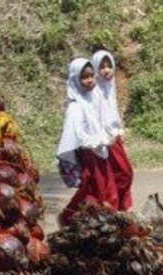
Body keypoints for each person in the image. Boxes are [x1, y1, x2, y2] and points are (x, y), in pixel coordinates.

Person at [56, 57, 117, 227]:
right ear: (76, 79)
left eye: (92, 75)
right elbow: (79, 136)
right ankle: (69, 218)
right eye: (85, 77)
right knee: (95, 194)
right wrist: (103, 140)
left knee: (104, 192)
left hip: (100, 152)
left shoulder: (92, 98)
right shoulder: (75, 107)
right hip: (90, 156)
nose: (90, 80)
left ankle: (96, 223)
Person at [90, 49, 134, 211]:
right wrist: (105, 137)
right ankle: (116, 210)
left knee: (121, 175)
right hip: (104, 142)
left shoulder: (110, 86)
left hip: (115, 138)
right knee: (122, 175)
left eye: (109, 66)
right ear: (95, 69)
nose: (106, 70)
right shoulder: (94, 91)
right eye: (102, 67)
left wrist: (117, 132)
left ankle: (118, 210)